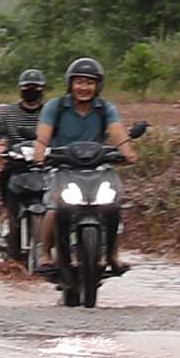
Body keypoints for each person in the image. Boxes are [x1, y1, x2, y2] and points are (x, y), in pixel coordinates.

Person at [32, 58, 138, 273]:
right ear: (70, 84)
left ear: (98, 85)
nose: (84, 87)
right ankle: (44, 255)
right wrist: (39, 153)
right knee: (54, 206)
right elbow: (43, 135)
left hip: (98, 167)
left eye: (90, 83)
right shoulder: (56, 106)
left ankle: (114, 255)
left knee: (114, 206)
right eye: (79, 82)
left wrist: (128, 153)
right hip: (63, 167)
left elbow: (117, 132)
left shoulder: (105, 108)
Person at [0, 69, 47, 258]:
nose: (32, 90)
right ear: (21, 89)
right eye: (27, 87)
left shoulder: (50, 113)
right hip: (16, 165)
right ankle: (9, 219)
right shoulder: (8, 112)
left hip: (45, 165)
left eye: (36, 88)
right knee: (4, 179)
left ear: (42, 90)